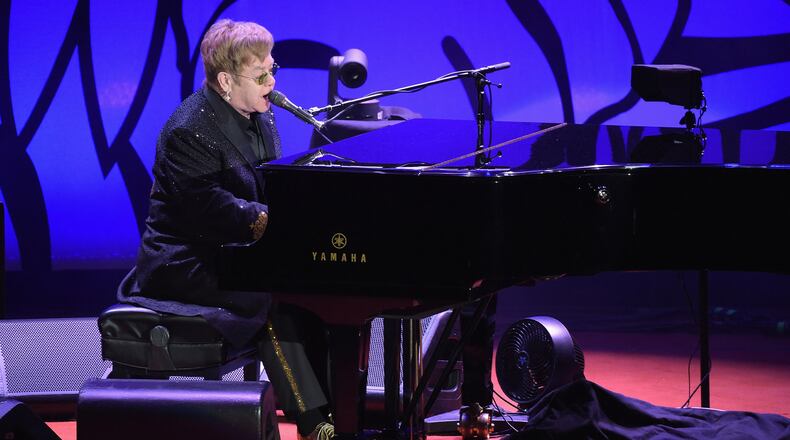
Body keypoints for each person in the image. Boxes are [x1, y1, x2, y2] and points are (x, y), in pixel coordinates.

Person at [117, 18, 333, 440]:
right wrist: (277, 221)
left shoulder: (260, 115)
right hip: (184, 263)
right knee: (270, 295)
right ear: (225, 81)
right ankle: (313, 424)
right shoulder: (186, 130)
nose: (272, 81)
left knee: (316, 289)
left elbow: (271, 183)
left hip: (235, 253)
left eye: (273, 69)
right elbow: (211, 210)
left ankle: (341, 410)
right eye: (261, 74)